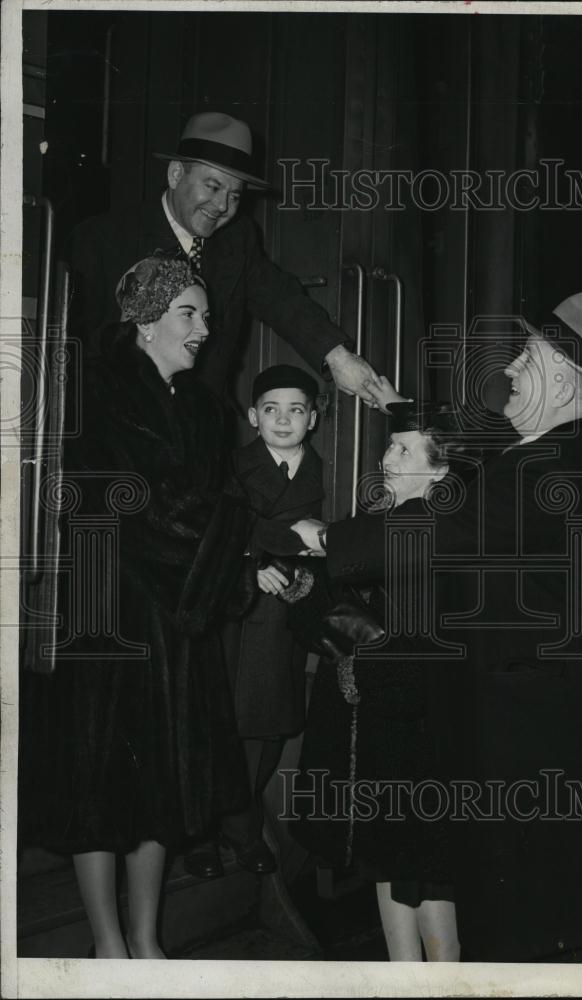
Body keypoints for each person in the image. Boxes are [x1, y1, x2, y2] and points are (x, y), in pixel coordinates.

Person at [294, 293, 582, 962]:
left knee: (559, 937)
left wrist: (325, 539)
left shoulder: (550, 466)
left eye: (526, 357)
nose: (511, 370)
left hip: (548, 742)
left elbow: (445, 528)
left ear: (562, 377)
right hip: (548, 731)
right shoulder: (561, 452)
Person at [20, 255, 249, 958]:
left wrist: (225, 541)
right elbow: (149, 505)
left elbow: (208, 505)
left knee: (160, 785)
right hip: (106, 603)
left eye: (206, 314)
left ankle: (146, 942)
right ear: (145, 322)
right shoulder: (99, 388)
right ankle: (109, 944)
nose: (205, 329)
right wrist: (233, 542)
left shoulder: (206, 408)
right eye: (190, 313)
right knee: (97, 785)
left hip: (173, 608)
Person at [281, 402, 463, 962]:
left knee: (426, 862)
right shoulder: (380, 518)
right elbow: (330, 607)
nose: (386, 457)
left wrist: (319, 565)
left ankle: (441, 972)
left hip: (424, 715)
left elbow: (403, 625)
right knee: (391, 855)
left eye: (404, 450)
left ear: (439, 472)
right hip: (380, 714)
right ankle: (407, 972)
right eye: (389, 445)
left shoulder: (437, 524)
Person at [67, 111, 382, 408]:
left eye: (235, 195)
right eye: (213, 186)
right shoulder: (102, 238)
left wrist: (338, 357)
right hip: (121, 425)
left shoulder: (238, 237)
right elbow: (78, 348)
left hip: (203, 428)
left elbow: (280, 298)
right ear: (176, 174)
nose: (221, 205)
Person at [185, 364, 325, 879]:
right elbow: (206, 531)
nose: (283, 420)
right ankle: (205, 833)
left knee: (272, 725)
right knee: (220, 726)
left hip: (286, 617)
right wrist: (253, 559)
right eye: (271, 409)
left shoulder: (324, 470)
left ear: (313, 417)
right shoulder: (230, 466)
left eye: (295, 410)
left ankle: (233, 823)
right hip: (233, 615)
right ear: (252, 416)